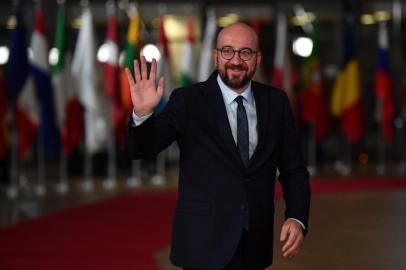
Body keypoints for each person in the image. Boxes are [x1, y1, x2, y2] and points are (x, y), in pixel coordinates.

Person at [125, 22, 310, 270]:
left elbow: (293, 170)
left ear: (257, 58)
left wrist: (297, 217)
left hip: (254, 244)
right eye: (227, 51)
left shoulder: (276, 102)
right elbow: (142, 148)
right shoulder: (188, 100)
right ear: (215, 56)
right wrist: (142, 114)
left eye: (245, 52)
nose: (236, 60)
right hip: (202, 244)